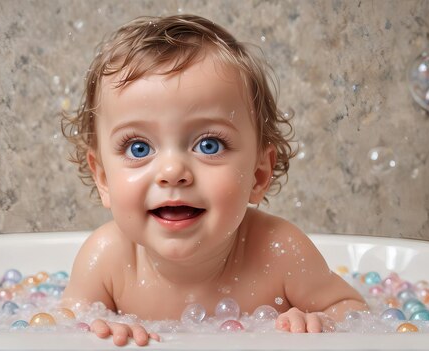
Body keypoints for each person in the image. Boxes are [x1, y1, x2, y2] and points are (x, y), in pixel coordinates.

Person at [60, 14, 366, 346]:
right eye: (138, 148)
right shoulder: (108, 258)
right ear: (103, 178)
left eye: (209, 145)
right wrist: (101, 331)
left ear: (258, 174)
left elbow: (353, 311)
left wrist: (318, 321)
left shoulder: (280, 253)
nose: (172, 171)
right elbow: (62, 329)